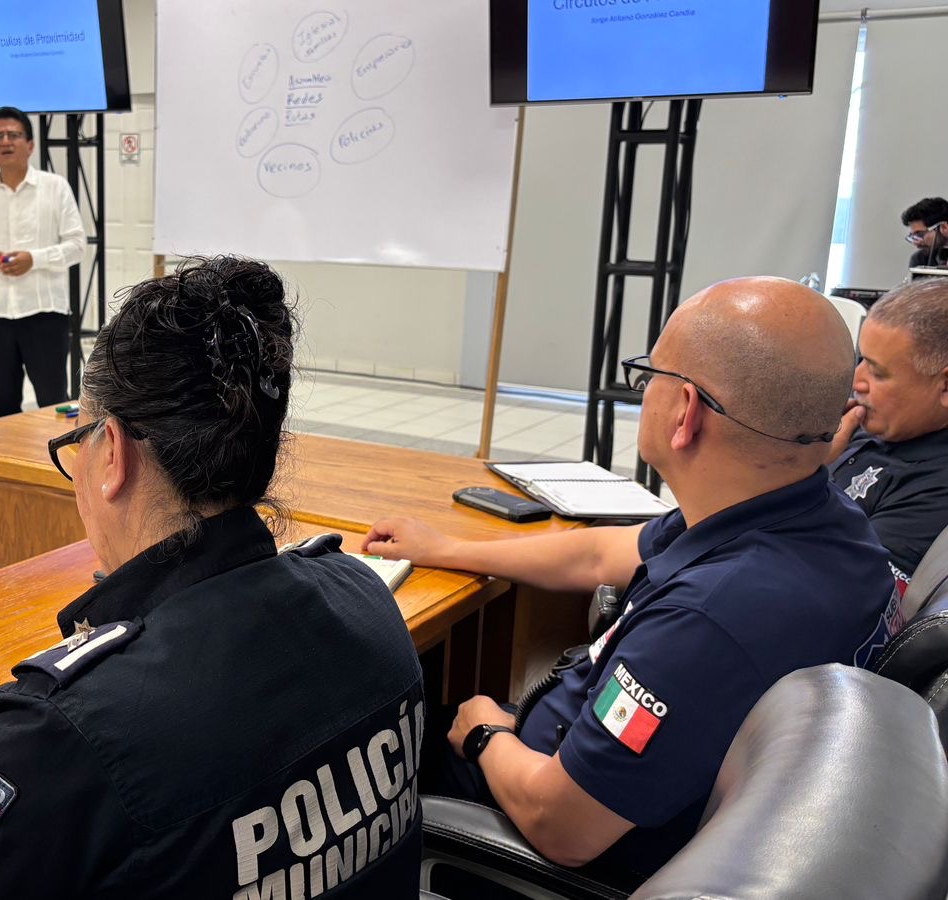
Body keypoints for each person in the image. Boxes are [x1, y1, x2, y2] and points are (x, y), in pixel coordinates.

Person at [0, 257, 427, 899]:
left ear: (113, 453)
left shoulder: (68, 730)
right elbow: (222, 740)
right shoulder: (362, 596)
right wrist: (9, 722)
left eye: (78, 442)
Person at [362, 277, 900, 878]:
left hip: (548, 833)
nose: (643, 392)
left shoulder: (710, 620)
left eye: (649, 376)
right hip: (592, 767)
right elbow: (600, 555)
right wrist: (451, 549)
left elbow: (561, 826)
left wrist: (485, 734)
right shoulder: (810, 516)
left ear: (685, 412)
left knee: (354, 749)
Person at [0, 107, 86, 418]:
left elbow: (77, 246)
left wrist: (34, 259)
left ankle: (57, 453)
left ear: (30, 145)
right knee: (1, 408)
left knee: (53, 405)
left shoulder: (55, 188)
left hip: (44, 314)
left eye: (13, 135)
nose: (5, 141)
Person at [828, 277, 948, 593]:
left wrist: (803, 478)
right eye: (861, 359)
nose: (856, 380)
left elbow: (850, 591)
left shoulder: (935, 490)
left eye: (877, 372)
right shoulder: (882, 426)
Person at [903, 197, 948, 270]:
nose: (916, 243)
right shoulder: (920, 259)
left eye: (920, 234)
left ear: (944, 227)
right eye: (912, 236)